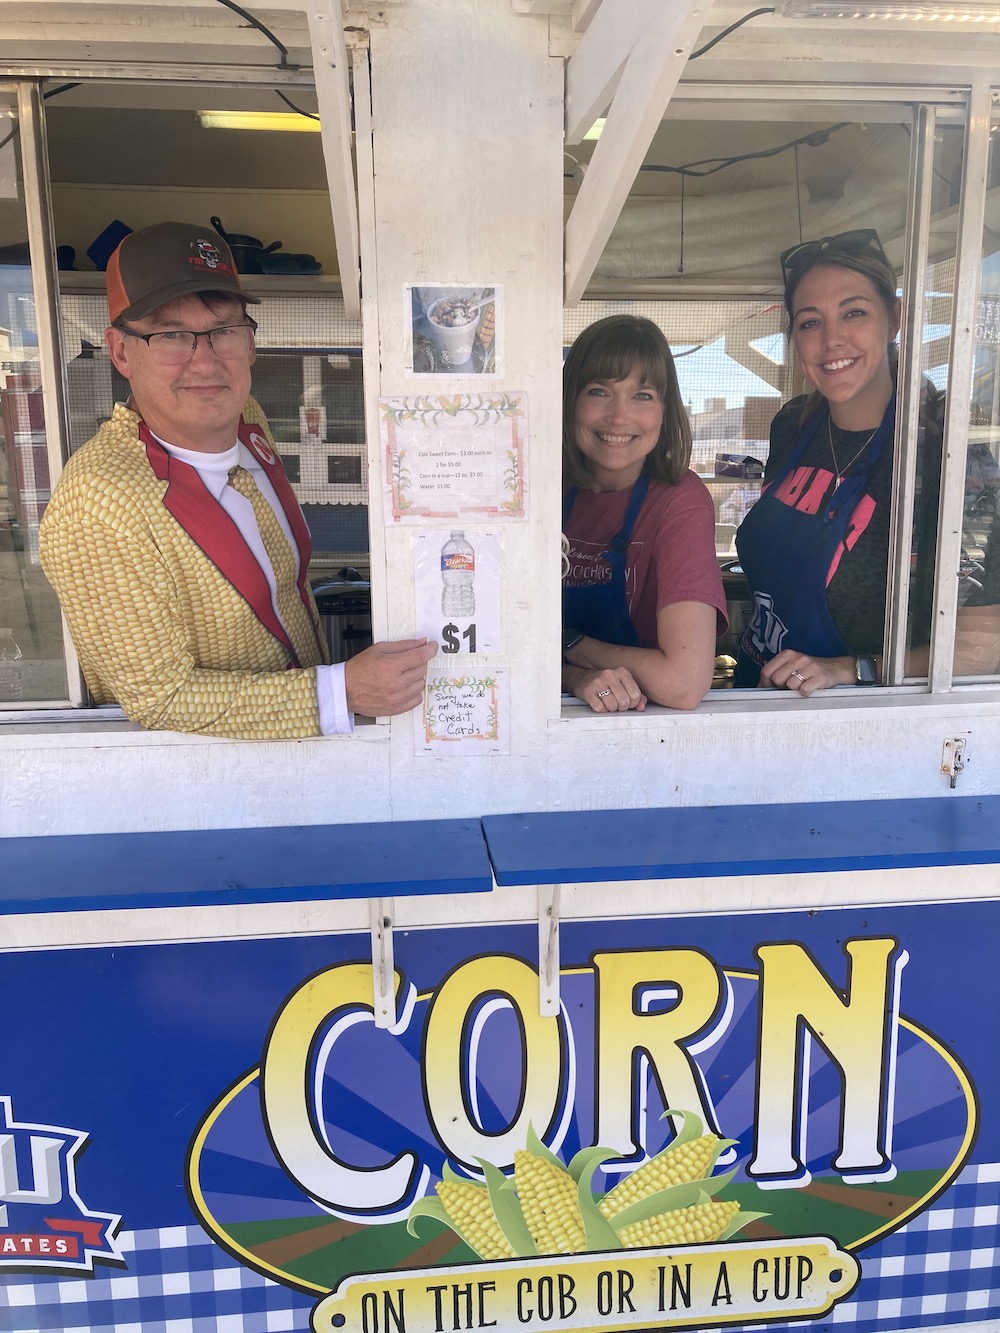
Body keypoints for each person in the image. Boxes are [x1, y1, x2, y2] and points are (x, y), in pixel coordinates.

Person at [39, 221, 436, 739]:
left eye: (223, 329)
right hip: (217, 789)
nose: (204, 361)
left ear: (250, 343)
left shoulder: (248, 420)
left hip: (308, 751)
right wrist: (340, 692)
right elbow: (160, 697)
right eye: (171, 334)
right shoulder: (98, 503)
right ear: (120, 352)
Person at [735, 227, 1000, 693]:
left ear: (894, 319)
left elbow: (984, 645)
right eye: (810, 322)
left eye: (853, 313)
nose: (832, 340)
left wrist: (852, 668)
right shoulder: (794, 426)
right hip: (757, 691)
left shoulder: (950, 454)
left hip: (863, 720)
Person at [560, 315, 727, 712]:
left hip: (646, 726)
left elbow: (683, 684)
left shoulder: (679, 500)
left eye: (642, 395)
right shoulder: (537, 490)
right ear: (570, 400)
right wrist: (573, 676)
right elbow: (503, 646)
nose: (619, 417)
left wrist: (569, 643)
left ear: (665, 410)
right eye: (599, 391)